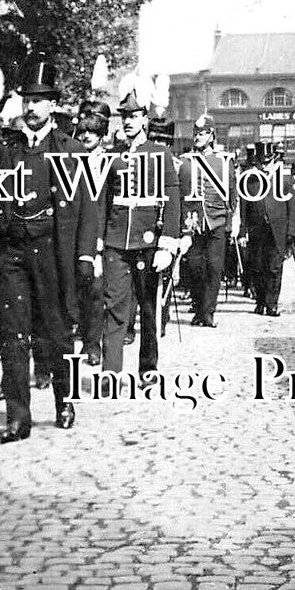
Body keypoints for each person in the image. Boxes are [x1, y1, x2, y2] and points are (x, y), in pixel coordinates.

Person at [0, 60, 98, 444]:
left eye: (40, 100)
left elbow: (87, 207)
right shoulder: (6, 151)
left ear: (53, 105)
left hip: (53, 252)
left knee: (57, 332)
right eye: (27, 100)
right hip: (13, 252)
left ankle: (65, 400)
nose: (32, 108)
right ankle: (18, 418)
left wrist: (85, 255)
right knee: (13, 335)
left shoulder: (71, 150)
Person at [100, 79, 183, 380]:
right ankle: (110, 372)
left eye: (134, 116)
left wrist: (167, 243)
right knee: (114, 308)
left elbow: (173, 201)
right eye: (124, 116)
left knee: (148, 310)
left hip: (148, 243)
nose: (128, 121)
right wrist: (99, 243)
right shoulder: (113, 156)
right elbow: (103, 202)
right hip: (116, 241)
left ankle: (148, 369)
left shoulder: (159, 154)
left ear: (145, 119)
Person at [178, 114, 238, 328]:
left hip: (217, 222)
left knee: (214, 267)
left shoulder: (223, 161)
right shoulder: (185, 162)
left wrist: (232, 222)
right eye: (196, 133)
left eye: (203, 134)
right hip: (193, 224)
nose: (198, 137)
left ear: (211, 136)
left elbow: (232, 194)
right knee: (195, 268)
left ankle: (208, 312)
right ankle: (197, 306)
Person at [240, 141, 295, 317]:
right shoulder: (250, 181)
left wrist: (292, 232)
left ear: (274, 161)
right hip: (257, 231)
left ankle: (272, 303)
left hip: (277, 232)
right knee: (257, 267)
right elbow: (245, 207)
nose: (265, 166)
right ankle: (260, 301)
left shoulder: (284, 182)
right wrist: (243, 230)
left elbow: (293, 209)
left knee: (274, 268)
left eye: (268, 162)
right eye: (262, 163)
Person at [74, 100, 111, 366]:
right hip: (72, 234)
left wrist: (100, 238)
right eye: (84, 131)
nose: (87, 136)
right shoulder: (70, 160)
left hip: (100, 235)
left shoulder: (110, 162)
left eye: (93, 131)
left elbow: (108, 203)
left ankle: (92, 343)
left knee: (95, 291)